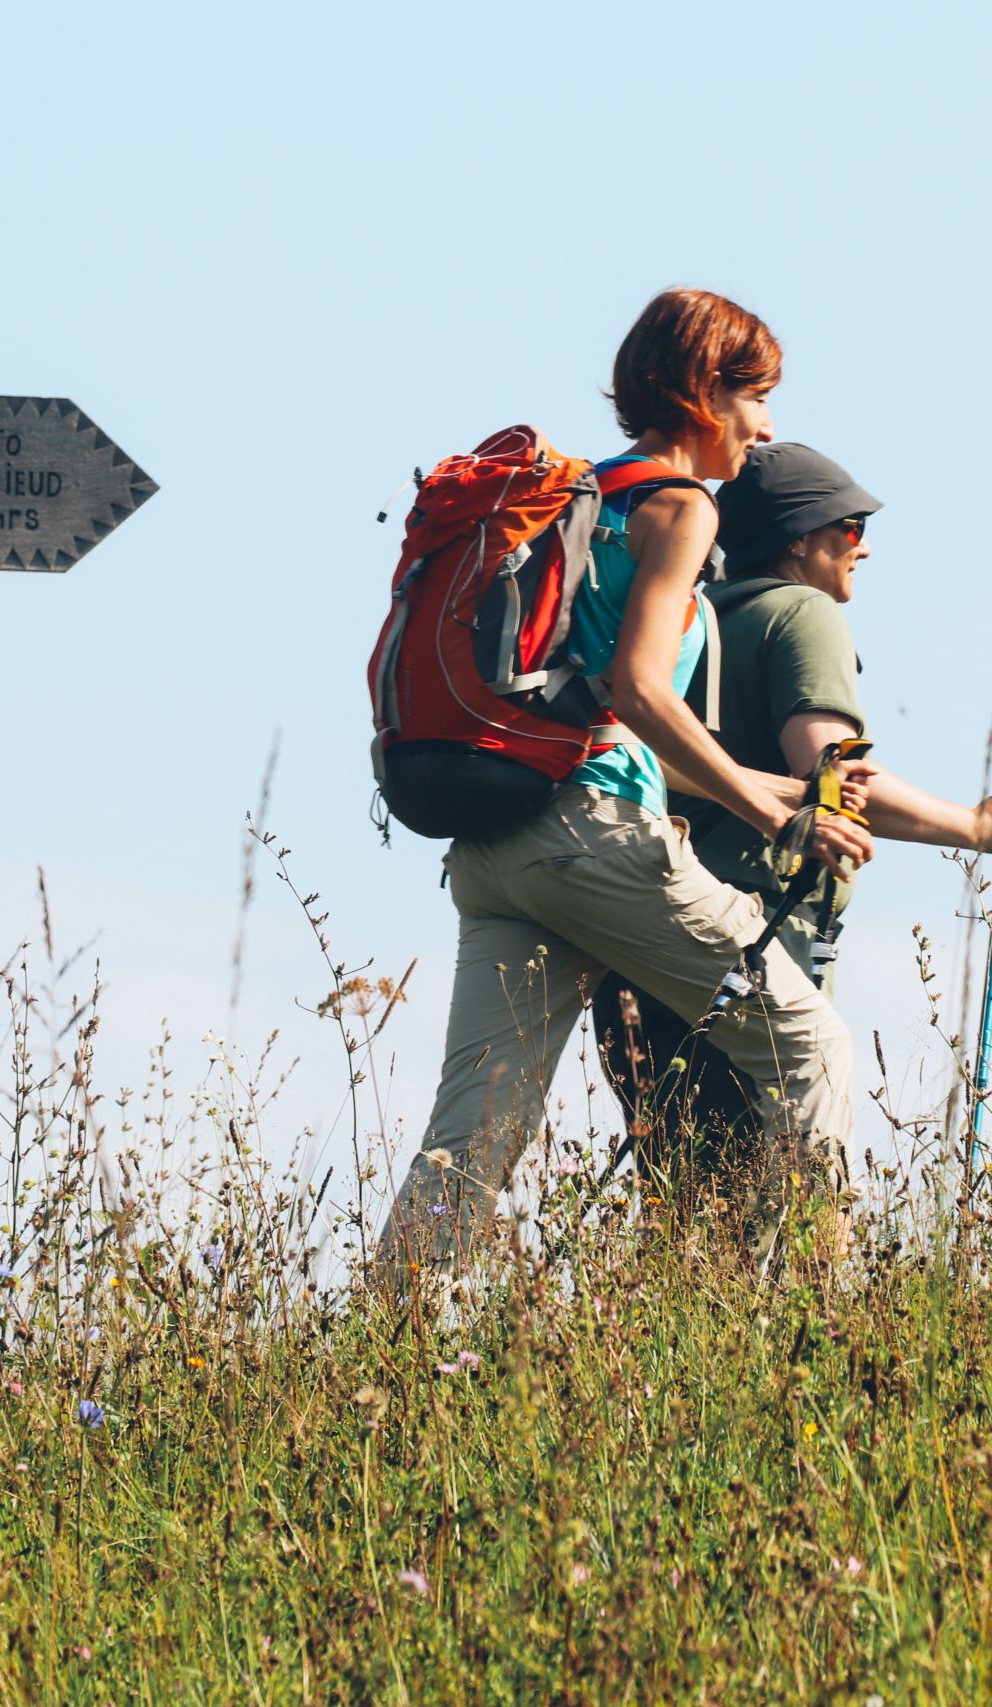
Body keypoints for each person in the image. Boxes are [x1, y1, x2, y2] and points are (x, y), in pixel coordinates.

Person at [377, 291, 874, 1293]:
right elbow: (648, 692)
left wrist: (768, 789)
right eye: (755, 398)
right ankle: (841, 1321)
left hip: (496, 850)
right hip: (588, 836)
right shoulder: (681, 507)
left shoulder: (577, 503)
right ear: (703, 395)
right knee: (804, 1040)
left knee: (473, 1134)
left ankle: (378, 1350)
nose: (764, 427)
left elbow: (616, 711)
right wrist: (772, 809)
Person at [591, 442, 992, 1201]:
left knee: (682, 1226)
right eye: (851, 527)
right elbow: (834, 779)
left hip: (634, 945)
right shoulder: (801, 614)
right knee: (772, 1219)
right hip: (752, 940)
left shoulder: (681, 616)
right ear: (799, 538)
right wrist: (977, 826)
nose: (861, 546)